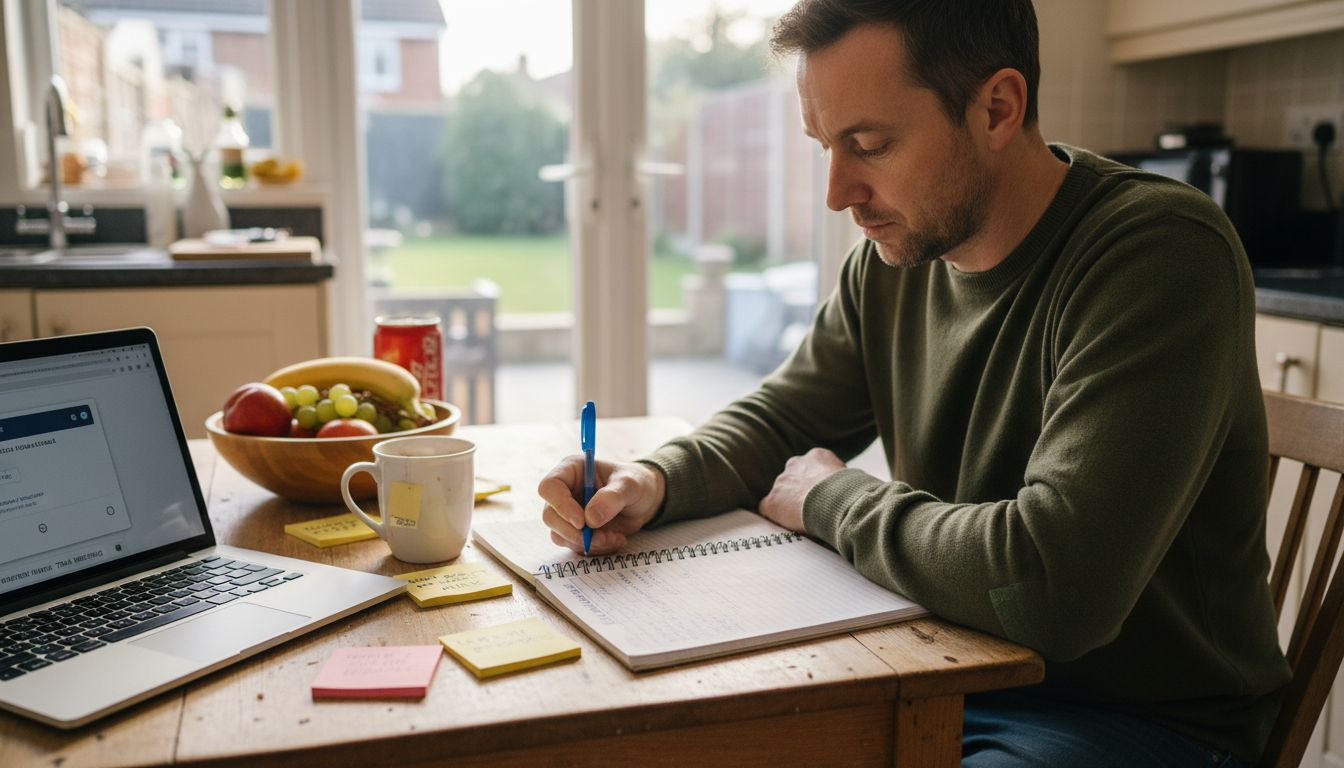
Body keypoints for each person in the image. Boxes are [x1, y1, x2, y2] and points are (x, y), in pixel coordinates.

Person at [536, 1, 1289, 765]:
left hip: (1134, 723)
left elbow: (1054, 589)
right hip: (940, 669)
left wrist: (833, 500)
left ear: (997, 108)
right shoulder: (897, 259)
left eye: (869, 144)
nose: (838, 192)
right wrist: (654, 478)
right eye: (825, 146)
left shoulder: (1158, 255)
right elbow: (784, 420)